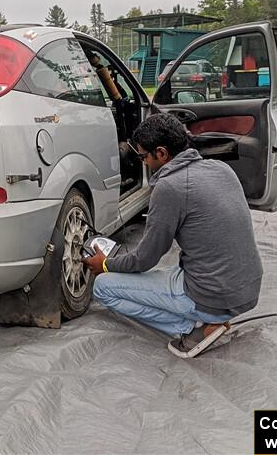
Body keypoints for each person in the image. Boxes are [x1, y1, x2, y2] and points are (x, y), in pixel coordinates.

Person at [82, 113, 263, 358]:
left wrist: (105, 264)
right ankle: (209, 317)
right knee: (169, 273)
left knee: (103, 287)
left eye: (143, 156)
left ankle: (196, 328)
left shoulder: (170, 187)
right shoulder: (221, 168)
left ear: (162, 154)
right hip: (247, 288)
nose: (143, 162)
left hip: (212, 295)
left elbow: (145, 259)